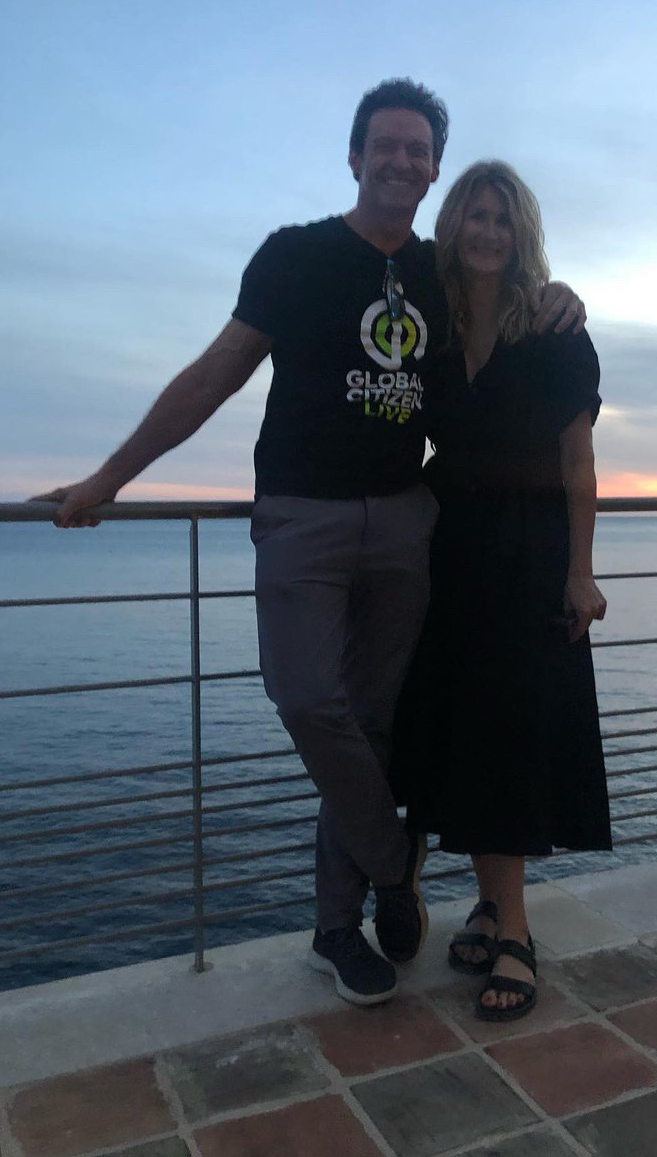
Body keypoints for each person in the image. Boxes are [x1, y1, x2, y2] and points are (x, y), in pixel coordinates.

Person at [33, 80, 585, 1007]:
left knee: (370, 726)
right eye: (387, 145)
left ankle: (337, 927)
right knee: (306, 699)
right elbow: (214, 373)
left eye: (418, 150)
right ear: (355, 155)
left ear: (434, 171)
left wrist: (560, 293)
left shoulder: (441, 274)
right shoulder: (296, 256)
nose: (401, 161)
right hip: (302, 516)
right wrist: (109, 478)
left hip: (407, 521)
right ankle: (394, 864)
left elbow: (511, 310)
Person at [392, 161, 612, 1022]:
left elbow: (578, 463)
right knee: (469, 735)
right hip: (450, 556)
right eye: (475, 216)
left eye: (502, 218)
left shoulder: (555, 332)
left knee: (510, 738)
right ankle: (489, 906)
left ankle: (514, 931)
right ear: (453, 227)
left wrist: (581, 571)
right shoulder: (430, 330)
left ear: (522, 234)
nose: (488, 232)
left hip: (530, 556)